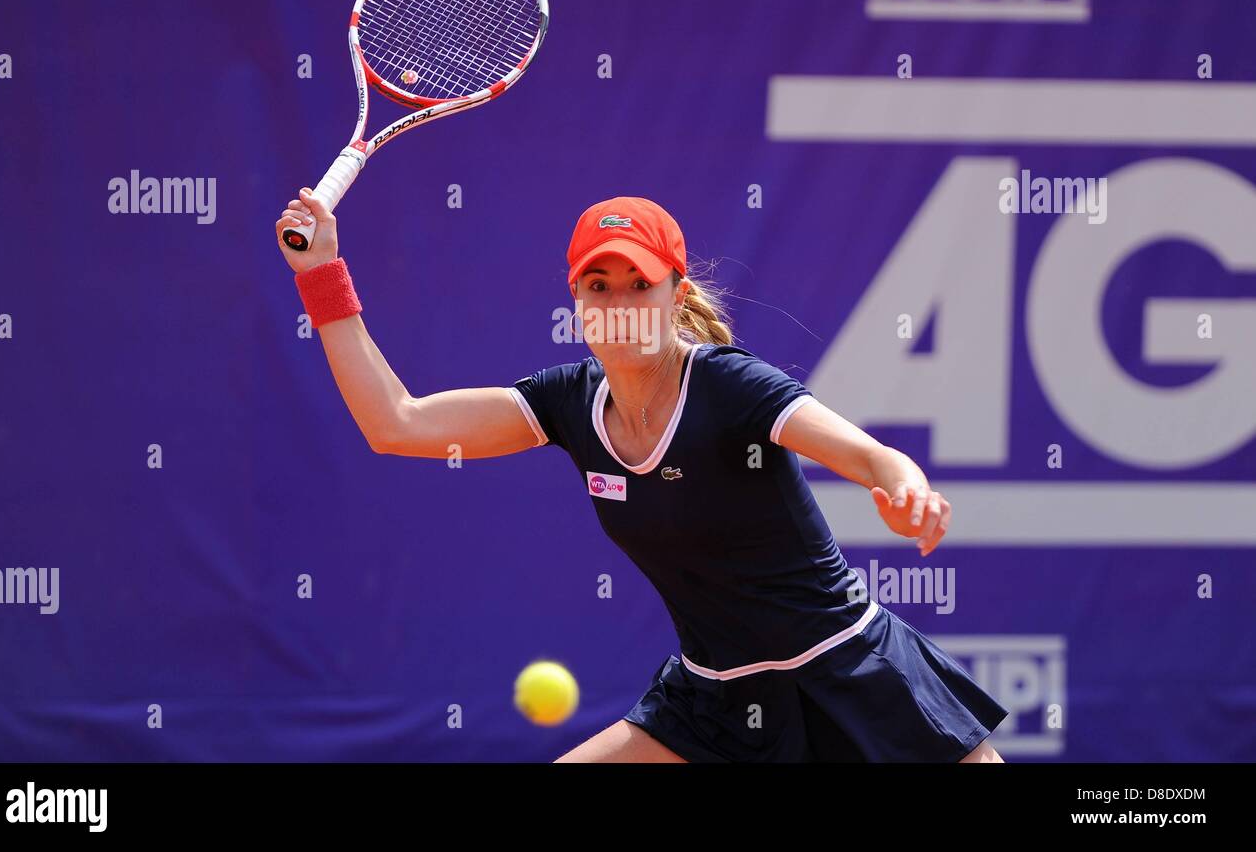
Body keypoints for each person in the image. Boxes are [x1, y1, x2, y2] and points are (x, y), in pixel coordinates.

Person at [275, 190, 1008, 762]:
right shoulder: (566, 402)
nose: (619, 304)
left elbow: (866, 455)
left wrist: (903, 486)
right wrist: (322, 275)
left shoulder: (730, 387)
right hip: (714, 704)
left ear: (674, 296)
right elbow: (396, 424)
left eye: (639, 284)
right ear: (576, 304)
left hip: (851, 676)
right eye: (598, 285)